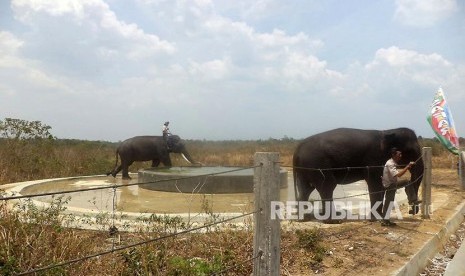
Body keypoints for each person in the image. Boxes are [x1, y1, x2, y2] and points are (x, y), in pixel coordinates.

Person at [381, 148, 415, 226]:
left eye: (401, 154)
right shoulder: (390, 164)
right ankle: (385, 221)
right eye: (399, 154)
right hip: (389, 185)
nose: (400, 156)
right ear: (393, 155)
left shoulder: (393, 162)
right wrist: (408, 166)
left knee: (407, 182)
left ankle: (413, 199)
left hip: (393, 183)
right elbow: (398, 175)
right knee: (389, 202)